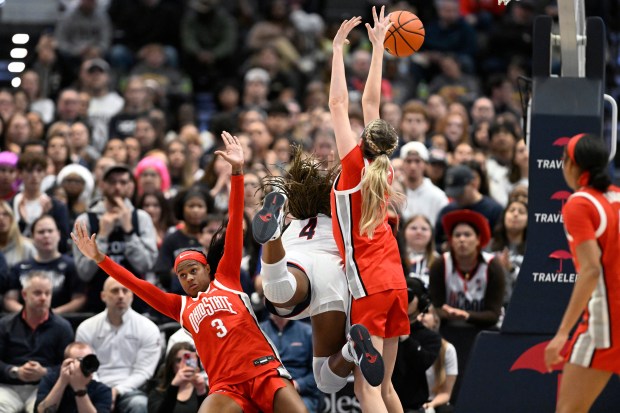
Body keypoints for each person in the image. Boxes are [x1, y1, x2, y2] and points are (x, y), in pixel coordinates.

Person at [72, 131, 309, 413]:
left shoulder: (227, 279)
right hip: (226, 385)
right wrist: (100, 258)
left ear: (208, 268)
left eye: (192, 270)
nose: (187, 278)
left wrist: (237, 172)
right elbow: (136, 285)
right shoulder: (180, 306)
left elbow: (234, 224)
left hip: (263, 370)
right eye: (182, 275)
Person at [329, 8, 409, 412]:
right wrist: (378, 48)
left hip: (368, 284)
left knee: (367, 390)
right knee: (388, 387)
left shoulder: (353, 165)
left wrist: (338, 49)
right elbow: (370, 102)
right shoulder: (385, 165)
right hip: (394, 278)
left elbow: (340, 103)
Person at [251, 147, 378, 396]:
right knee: (326, 380)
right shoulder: (344, 217)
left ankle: (273, 237)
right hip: (332, 273)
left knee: (277, 292)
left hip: (295, 257)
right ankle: (351, 350)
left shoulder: (296, 221)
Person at [544, 133, 620, 413]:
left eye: (564, 158)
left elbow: (590, 270)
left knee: (569, 410)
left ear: (573, 165)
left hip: (606, 322)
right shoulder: (616, 196)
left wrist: (561, 334)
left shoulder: (580, 203)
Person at [72, 164, 158, 312]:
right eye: (112, 182)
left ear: (131, 186)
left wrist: (129, 231)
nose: (117, 187)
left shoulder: (141, 218)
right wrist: (103, 237)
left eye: (123, 182)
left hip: (136, 302)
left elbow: (146, 265)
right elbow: (84, 272)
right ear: (102, 185)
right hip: (97, 303)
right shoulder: (86, 220)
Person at [75, 277, 161, 413]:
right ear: (103, 296)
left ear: (132, 295)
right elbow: (86, 367)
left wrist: (117, 391)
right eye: (115, 291)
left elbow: (144, 371)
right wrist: (103, 391)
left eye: (125, 291)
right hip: (94, 388)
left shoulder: (148, 328)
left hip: (132, 390)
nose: (121, 296)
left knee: (139, 404)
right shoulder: (86, 328)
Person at [0, 272, 74, 413]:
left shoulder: (62, 327)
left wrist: (45, 372)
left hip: (44, 386)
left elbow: (69, 365)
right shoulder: (4, 325)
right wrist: (14, 371)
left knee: (42, 409)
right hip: (7, 386)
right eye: (38, 293)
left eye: (48, 293)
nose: (43, 298)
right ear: (24, 294)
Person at [3, 215, 86, 314]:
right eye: (41, 232)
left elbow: (79, 299)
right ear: (32, 237)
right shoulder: (19, 267)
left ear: (58, 234)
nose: (46, 235)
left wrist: (52, 314)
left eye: (50, 231)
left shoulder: (72, 266)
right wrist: (28, 313)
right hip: (25, 321)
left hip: (62, 320)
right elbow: (9, 300)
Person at [392, 278, 442, 413]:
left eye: (408, 295)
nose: (404, 299)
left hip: (413, 406)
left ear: (421, 301)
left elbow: (423, 362)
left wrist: (406, 339)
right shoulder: (385, 331)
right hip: (382, 401)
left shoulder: (431, 337)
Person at [260, 314, 322, 413]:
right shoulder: (259, 332)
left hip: (301, 394)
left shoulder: (307, 332)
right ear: (264, 301)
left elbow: (318, 374)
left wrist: (299, 385)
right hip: (266, 394)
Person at [35, 342, 112, 413]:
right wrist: (62, 381)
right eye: (81, 360)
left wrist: (79, 389)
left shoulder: (102, 390)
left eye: (89, 359)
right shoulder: (49, 380)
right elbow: (41, 411)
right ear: (67, 363)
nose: (86, 364)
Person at [148, 342, 207, 413]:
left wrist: (201, 393)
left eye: (187, 360)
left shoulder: (202, 388)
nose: (183, 364)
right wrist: (174, 386)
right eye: (179, 360)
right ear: (171, 364)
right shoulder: (158, 393)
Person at [488, 199, 528, 306]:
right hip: (494, 304)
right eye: (511, 210)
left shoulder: (533, 249)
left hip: (523, 303)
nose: (515, 214)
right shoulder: (489, 246)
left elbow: (534, 281)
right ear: (504, 216)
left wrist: (511, 269)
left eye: (521, 212)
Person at [420, 307, 458, 413]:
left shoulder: (447, 349)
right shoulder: (405, 344)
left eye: (425, 312)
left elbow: (446, 393)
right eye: (418, 313)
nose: (421, 317)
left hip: (434, 402)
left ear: (436, 320)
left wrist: (430, 405)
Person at [399, 215, 440, 287]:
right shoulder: (395, 257)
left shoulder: (438, 261)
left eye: (424, 229)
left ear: (431, 234)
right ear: (404, 232)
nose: (418, 232)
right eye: (413, 228)